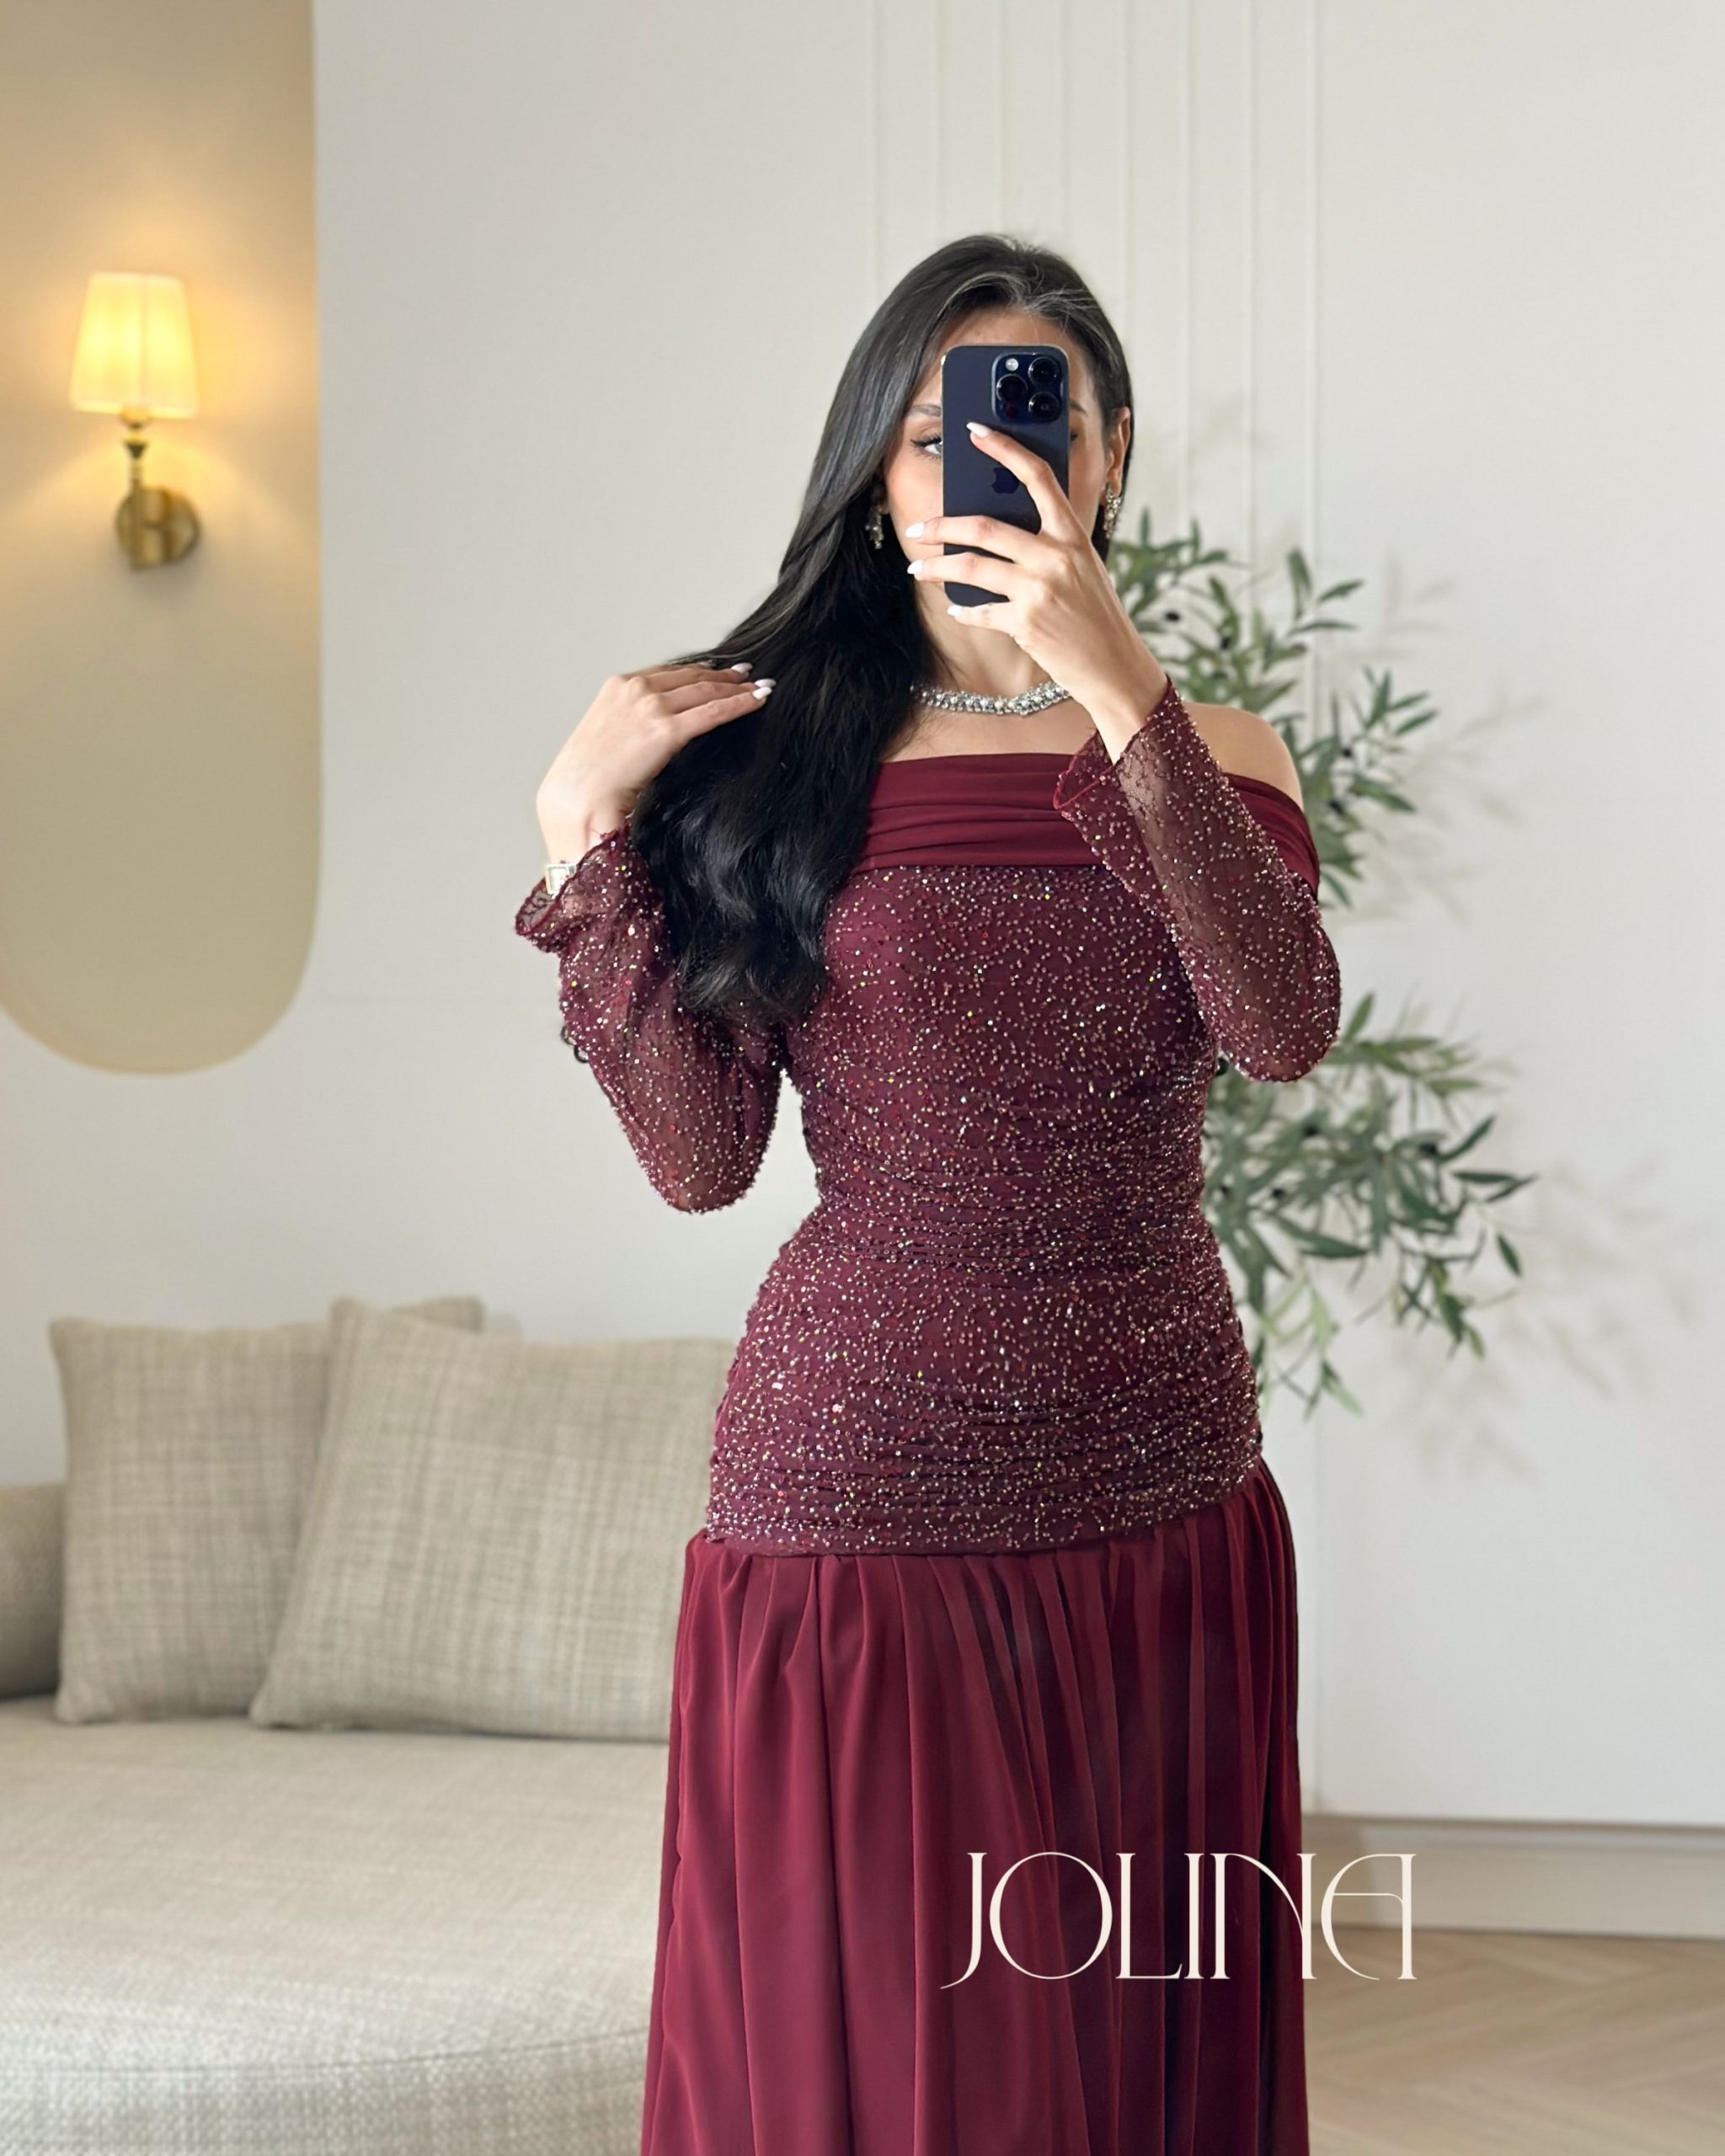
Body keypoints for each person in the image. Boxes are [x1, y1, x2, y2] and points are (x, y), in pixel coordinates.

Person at [514, 232, 1340, 2156]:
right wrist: (580, 840)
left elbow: (1279, 1025)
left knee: (1130, 2038)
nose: (983, 464)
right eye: (929, 432)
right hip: (861, 1489)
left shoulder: (1219, 754)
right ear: (876, 476)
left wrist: (1119, 689)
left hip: (1160, 1476)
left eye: (1042, 420)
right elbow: (702, 1159)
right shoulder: (762, 772)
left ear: (1111, 459)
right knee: (902, 2066)